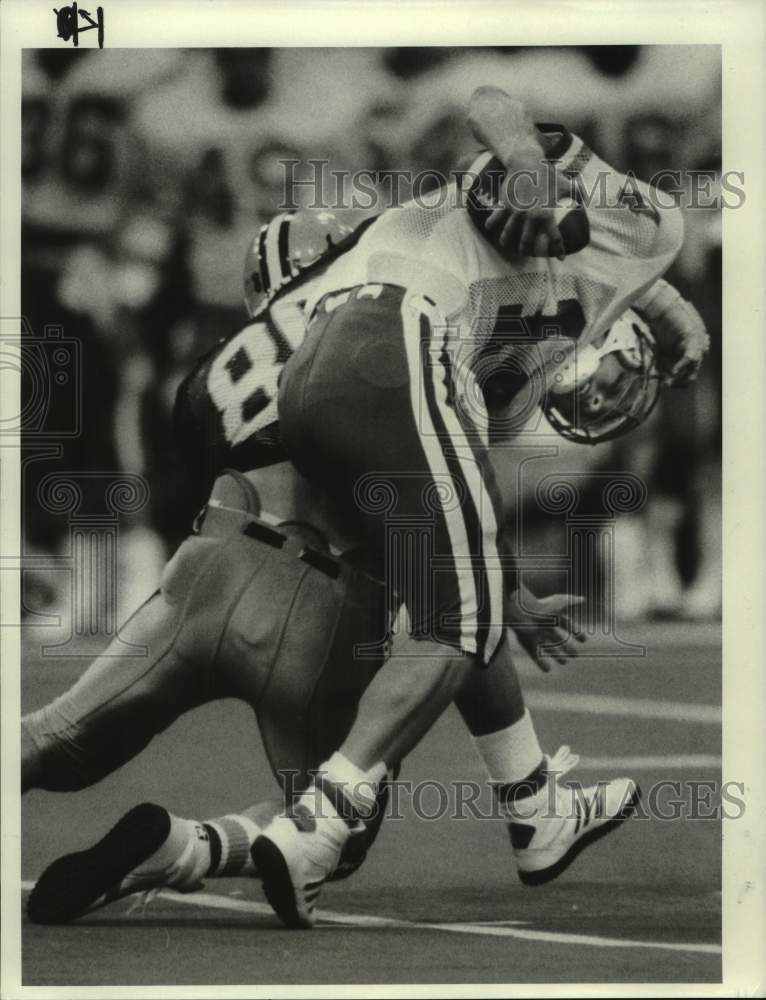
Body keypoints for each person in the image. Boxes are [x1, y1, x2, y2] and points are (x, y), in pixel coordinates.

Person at [25, 205, 667, 925]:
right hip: (323, 613)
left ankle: (181, 847)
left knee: (52, 740)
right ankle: (192, 846)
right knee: (344, 817)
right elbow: (438, 535)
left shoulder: (216, 371)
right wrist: (507, 592)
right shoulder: (382, 323)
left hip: (206, 575)